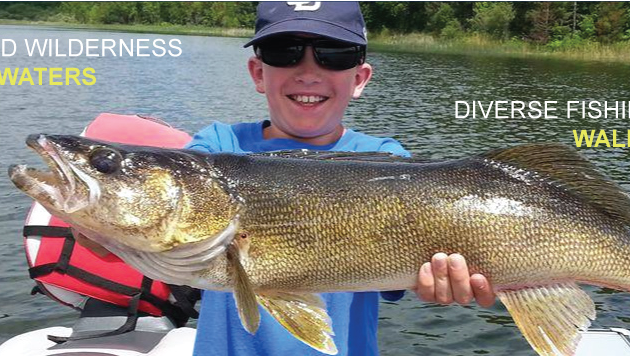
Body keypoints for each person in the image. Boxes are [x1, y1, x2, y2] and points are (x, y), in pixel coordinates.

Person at [182, 2, 496, 355]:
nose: (308, 72)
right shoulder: (216, 149)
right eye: (284, 51)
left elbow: (412, 273)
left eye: (334, 54)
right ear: (258, 72)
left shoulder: (386, 160)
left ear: (359, 79)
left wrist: (442, 280)